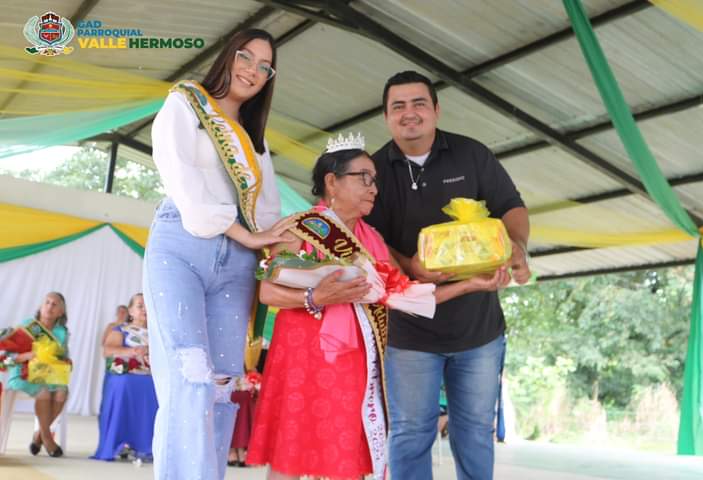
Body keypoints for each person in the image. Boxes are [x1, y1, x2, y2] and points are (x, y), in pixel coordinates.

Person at [246, 136, 510, 480]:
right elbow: (267, 291)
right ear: (332, 182)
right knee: (292, 451)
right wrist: (315, 298)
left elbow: (406, 295)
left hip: (356, 358)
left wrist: (471, 285)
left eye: (375, 180)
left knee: (346, 451)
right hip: (304, 354)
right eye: (364, 178)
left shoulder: (371, 240)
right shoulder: (299, 229)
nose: (374, 188)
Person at [364, 70, 531, 480]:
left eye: (419, 103)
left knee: (475, 432)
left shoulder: (471, 155)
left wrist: (517, 247)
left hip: (478, 330)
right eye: (398, 106)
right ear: (386, 116)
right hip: (408, 332)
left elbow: (511, 206)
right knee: (410, 432)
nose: (409, 113)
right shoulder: (373, 171)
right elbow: (370, 238)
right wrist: (411, 266)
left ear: (436, 110)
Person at [144, 28, 294, 480]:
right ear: (228, 56)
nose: (253, 70)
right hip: (182, 245)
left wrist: (286, 243)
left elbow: (266, 213)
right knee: (190, 375)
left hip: (238, 265)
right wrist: (245, 233)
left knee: (222, 384)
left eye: (265, 67)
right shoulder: (187, 103)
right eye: (246, 57)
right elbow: (181, 176)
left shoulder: (254, 140)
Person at [92, 293, 157, 461]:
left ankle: (147, 446)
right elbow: (108, 351)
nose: (145, 309)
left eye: (148, 305)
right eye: (140, 306)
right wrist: (134, 351)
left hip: (151, 377)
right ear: (131, 311)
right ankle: (120, 443)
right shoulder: (121, 330)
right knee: (124, 383)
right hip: (126, 375)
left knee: (157, 388)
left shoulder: (159, 333)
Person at [6, 292, 70, 458]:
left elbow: (63, 357)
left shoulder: (62, 332)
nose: (49, 306)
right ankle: (47, 439)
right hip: (23, 373)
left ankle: (38, 436)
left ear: (61, 312)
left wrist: (66, 362)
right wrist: (27, 356)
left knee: (62, 392)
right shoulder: (28, 326)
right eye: (47, 302)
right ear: (41, 306)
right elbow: (10, 355)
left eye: (54, 304)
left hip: (48, 374)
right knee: (44, 392)